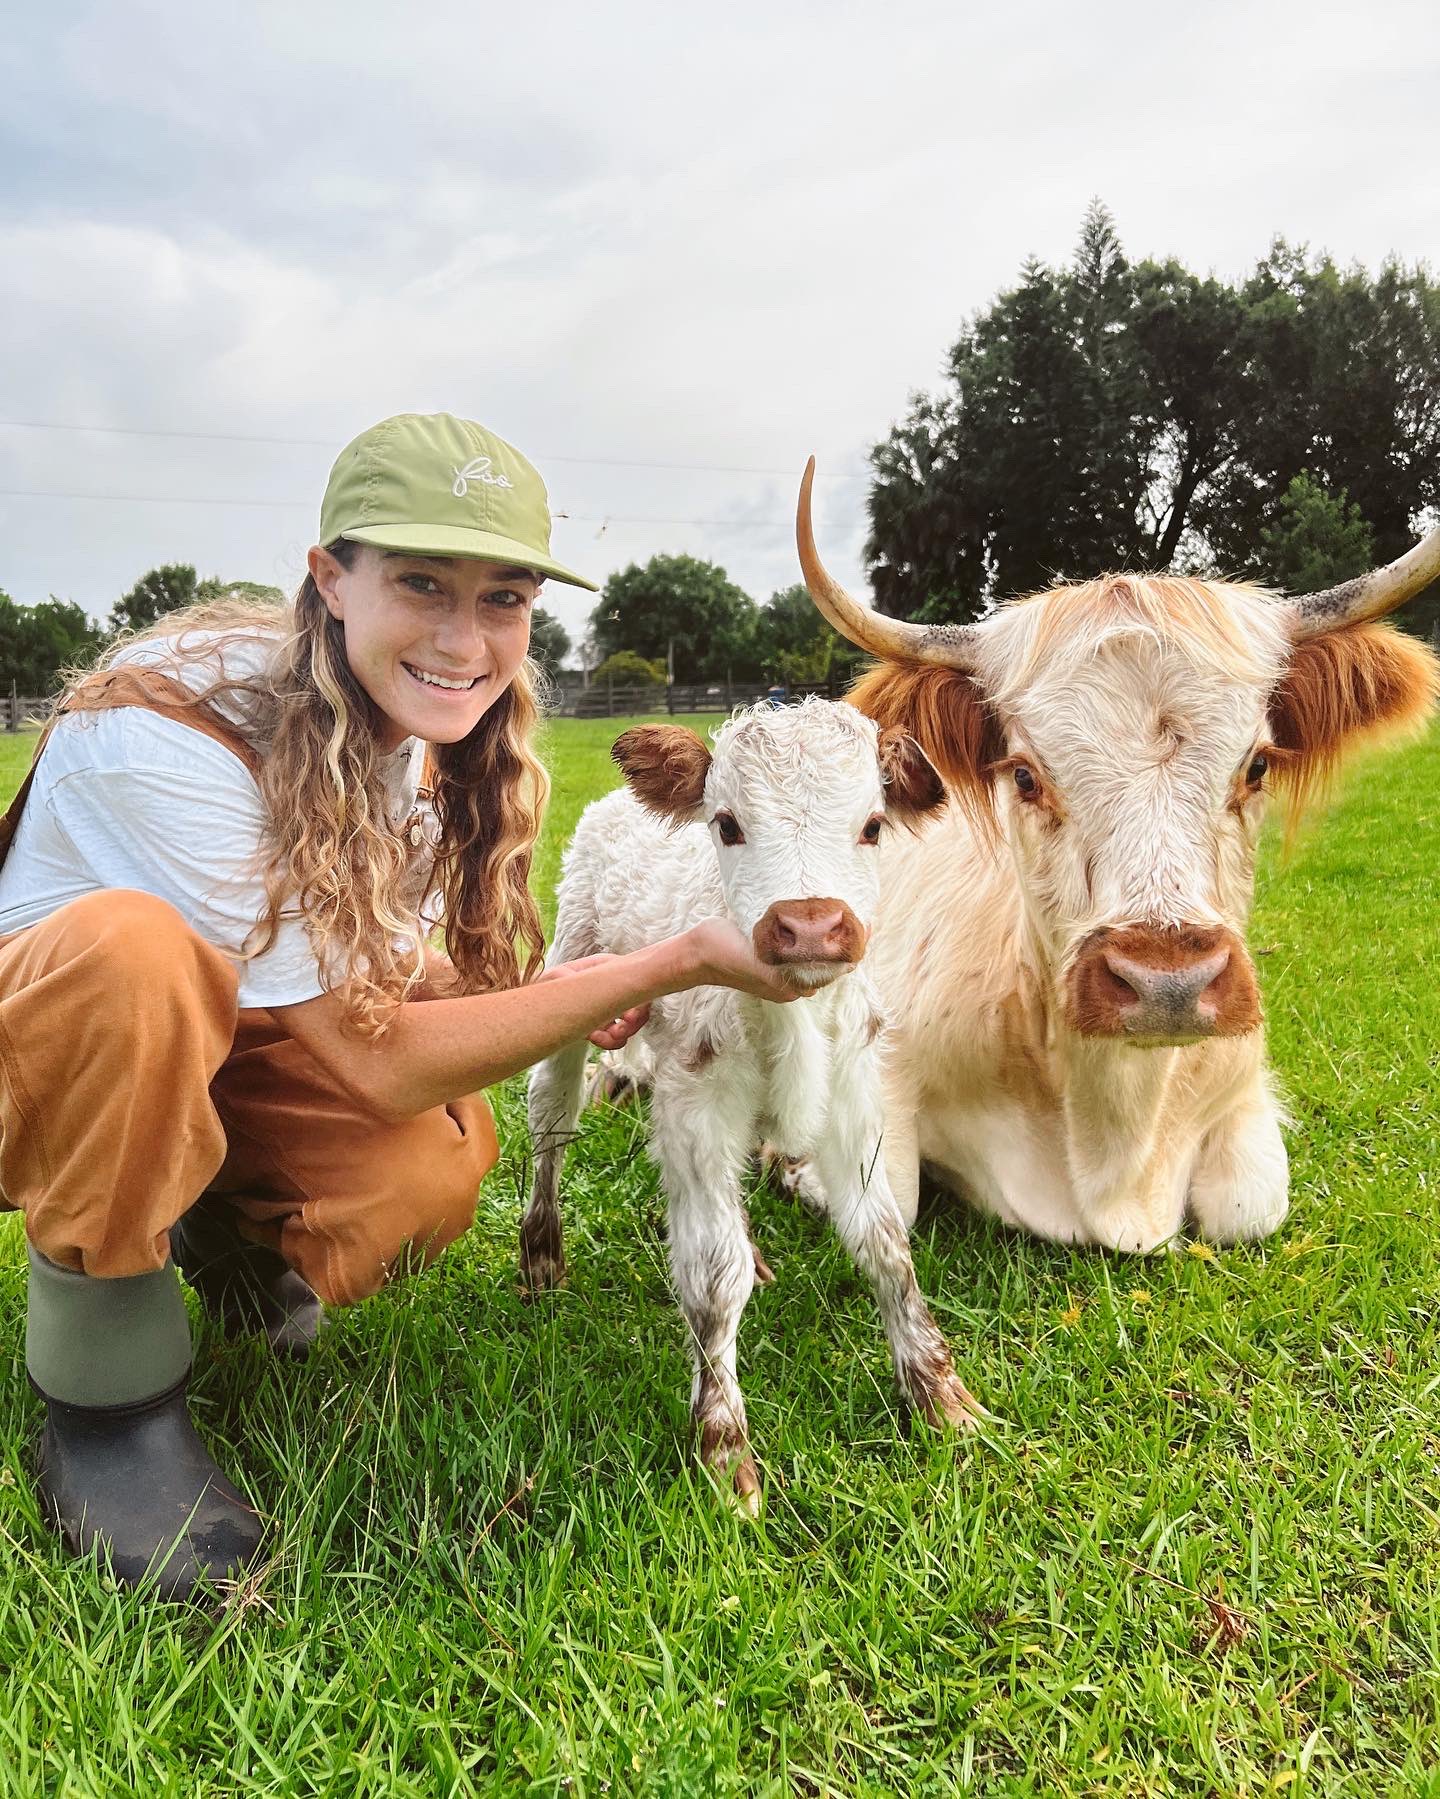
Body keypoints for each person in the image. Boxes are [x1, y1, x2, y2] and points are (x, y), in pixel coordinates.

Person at [0, 412, 802, 1599]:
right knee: (135, 950)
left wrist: (562, 995)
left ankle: (217, 1221)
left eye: (503, 598)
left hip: (206, 1034)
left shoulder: (401, 738)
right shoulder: (167, 737)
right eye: (420, 583)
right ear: (331, 580)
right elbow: (375, 1058)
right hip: (49, 1049)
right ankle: (106, 1400)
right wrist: (667, 959)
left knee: (429, 1172)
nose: (464, 639)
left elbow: (379, 969)